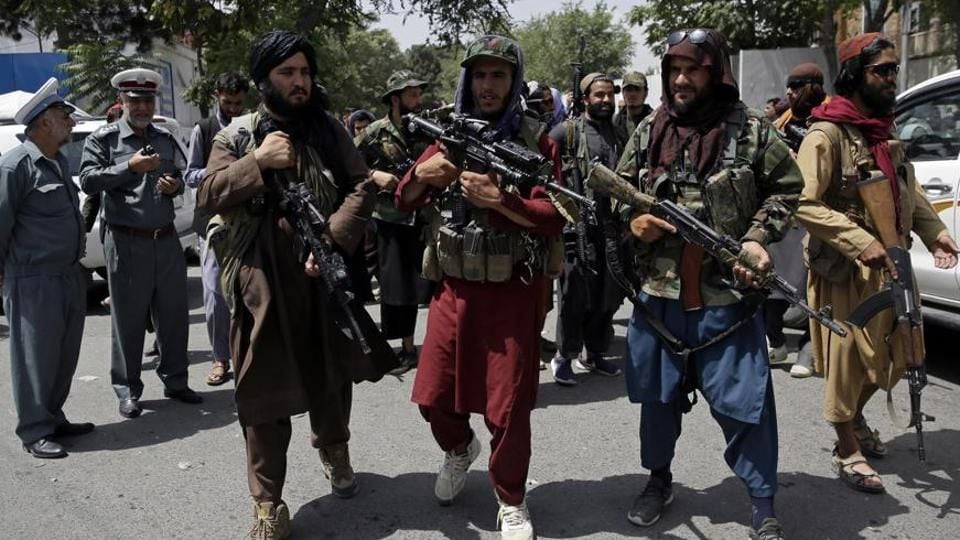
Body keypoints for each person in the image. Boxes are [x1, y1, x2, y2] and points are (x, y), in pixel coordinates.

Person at [196, 31, 396, 539]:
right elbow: (208, 198)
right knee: (262, 387)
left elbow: (360, 186)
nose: (299, 81)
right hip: (261, 276)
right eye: (288, 73)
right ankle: (267, 503)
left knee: (331, 368)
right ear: (265, 79)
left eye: (305, 72)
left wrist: (331, 239)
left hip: (321, 266)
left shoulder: (328, 128)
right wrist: (258, 163)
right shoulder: (237, 135)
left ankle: (334, 447)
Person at [615, 29, 801, 540]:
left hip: (728, 300)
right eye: (673, 68)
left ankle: (762, 503)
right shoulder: (650, 129)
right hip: (660, 297)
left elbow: (786, 191)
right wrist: (634, 221)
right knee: (656, 402)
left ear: (714, 71)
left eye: (692, 68)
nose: (680, 79)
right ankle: (658, 480)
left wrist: (760, 240)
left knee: (747, 403)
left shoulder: (753, 130)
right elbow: (615, 193)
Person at [397, 34, 567, 540]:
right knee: (433, 395)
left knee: (508, 408)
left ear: (514, 80)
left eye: (498, 75)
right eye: (479, 75)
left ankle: (511, 499)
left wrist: (500, 201)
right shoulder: (447, 132)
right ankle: (458, 449)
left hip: (512, 290)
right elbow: (405, 200)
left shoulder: (539, 139)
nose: (487, 85)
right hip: (455, 289)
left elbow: (558, 214)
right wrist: (423, 174)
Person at [794, 33, 959, 495]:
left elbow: (906, 189)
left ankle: (857, 418)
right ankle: (847, 446)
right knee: (850, 361)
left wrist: (936, 232)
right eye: (881, 70)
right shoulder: (826, 134)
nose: (891, 78)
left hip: (893, 261)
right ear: (854, 75)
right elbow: (800, 201)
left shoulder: (883, 130)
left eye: (893, 70)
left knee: (894, 356)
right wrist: (857, 239)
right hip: (848, 268)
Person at [80, 68, 202, 420]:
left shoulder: (164, 138)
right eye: (136, 101)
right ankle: (128, 389)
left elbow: (179, 175)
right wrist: (129, 166)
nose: (143, 107)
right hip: (126, 240)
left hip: (164, 240)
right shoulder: (102, 140)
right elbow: (88, 181)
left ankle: (176, 381)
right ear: (122, 102)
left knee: (174, 316)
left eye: (148, 101)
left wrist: (173, 186)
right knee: (129, 321)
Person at [0, 78, 93, 459]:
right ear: (42, 123)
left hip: (69, 274)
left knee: (62, 354)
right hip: (33, 277)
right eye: (63, 116)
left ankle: (53, 417)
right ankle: (34, 429)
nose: (70, 123)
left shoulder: (55, 161)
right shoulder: (15, 165)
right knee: (35, 357)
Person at [549, 72, 625, 386]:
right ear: (586, 99)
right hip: (575, 228)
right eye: (599, 95)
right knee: (573, 296)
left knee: (606, 295)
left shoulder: (619, 134)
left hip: (609, 228)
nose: (605, 100)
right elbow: (546, 175)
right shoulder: (565, 132)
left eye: (609, 95)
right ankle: (563, 356)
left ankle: (593, 354)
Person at [355, 70, 433, 374]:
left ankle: (428, 344)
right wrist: (375, 176)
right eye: (412, 94)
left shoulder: (427, 128)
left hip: (424, 217)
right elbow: (348, 163)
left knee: (424, 283)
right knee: (394, 287)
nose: (418, 99)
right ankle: (405, 347)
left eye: (419, 93)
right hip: (389, 218)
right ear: (396, 98)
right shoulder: (374, 133)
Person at [184, 71, 250, 387]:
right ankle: (220, 358)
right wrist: (219, 174)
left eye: (238, 103)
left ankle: (249, 355)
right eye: (228, 102)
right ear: (217, 96)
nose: (233, 109)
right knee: (214, 292)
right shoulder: (205, 129)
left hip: (248, 219)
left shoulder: (252, 127)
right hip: (213, 222)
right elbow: (190, 174)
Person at [766, 62, 830, 377]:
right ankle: (776, 343)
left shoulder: (832, 122)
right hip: (784, 215)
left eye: (795, 87)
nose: (788, 93)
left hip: (818, 216)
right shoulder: (781, 124)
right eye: (788, 87)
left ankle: (808, 349)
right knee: (772, 284)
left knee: (813, 288)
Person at [614, 71, 654, 145]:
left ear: (646, 93)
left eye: (637, 89)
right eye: (628, 90)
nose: (633, 94)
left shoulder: (655, 122)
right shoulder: (614, 123)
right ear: (623, 93)